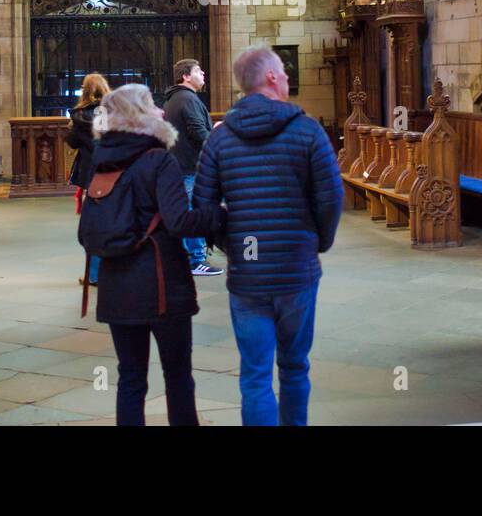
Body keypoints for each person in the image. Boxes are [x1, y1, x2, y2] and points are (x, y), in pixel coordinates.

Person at [193, 45, 343, 426]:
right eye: (286, 74)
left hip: (249, 272)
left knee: (255, 375)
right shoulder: (307, 129)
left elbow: (204, 208)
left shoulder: (220, 139)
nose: (289, 80)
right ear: (273, 78)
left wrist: (232, 245)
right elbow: (330, 197)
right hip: (296, 267)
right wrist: (317, 242)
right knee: (294, 368)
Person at [82, 84, 226, 426]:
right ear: (139, 115)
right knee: (177, 375)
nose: (161, 111)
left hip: (117, 286)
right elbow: (179, 222)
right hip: (163, 285)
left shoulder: (101, 163)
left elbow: (88, 230)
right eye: (151, 105)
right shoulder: (159, 160)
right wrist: (217, 214)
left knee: (130, 378)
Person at [163, 59, 224, 277]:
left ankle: (192, 256)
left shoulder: (177, 98)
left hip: (182, 166)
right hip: (189, 167)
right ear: (186, 76)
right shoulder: (187, 98)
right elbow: (198, 132)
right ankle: (196, 260)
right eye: (198, 70)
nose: (204, 73)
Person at [67, 72, 109, 286]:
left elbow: (73, 142)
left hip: (90, 174)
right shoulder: (110, 111)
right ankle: (109, 272)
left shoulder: (78, 115)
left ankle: (94, 273)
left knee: (93, 224)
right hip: (110, 172)